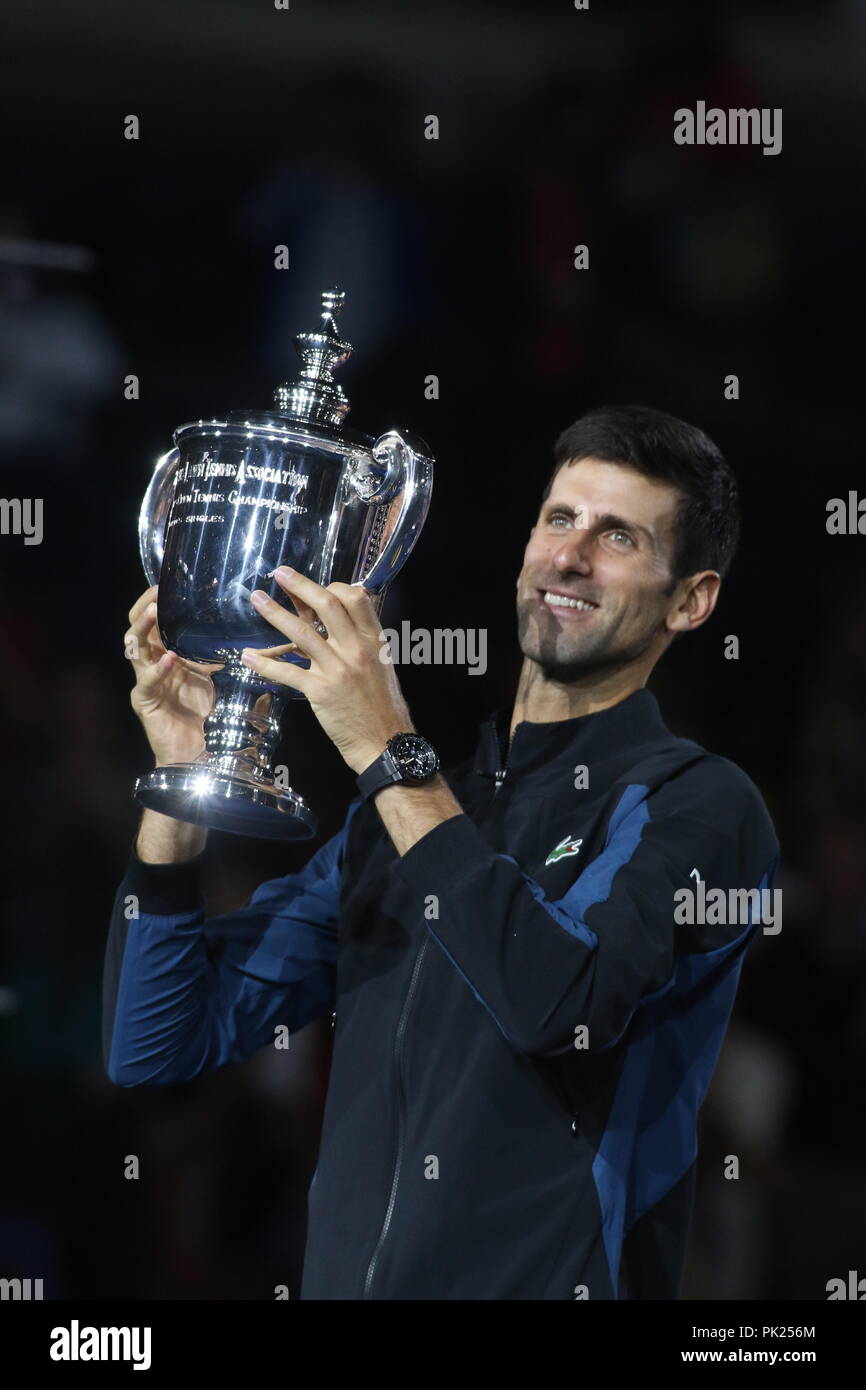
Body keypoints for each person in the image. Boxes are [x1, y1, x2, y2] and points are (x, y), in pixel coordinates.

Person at [103, 403, 779, 1300]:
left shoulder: (698, 804)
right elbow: (153, 1042)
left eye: (619, 537)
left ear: (690, 601)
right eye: (560, 519)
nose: (570, 556)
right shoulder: (404, 816)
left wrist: (389, 753)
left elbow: (559, 1004)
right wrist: (181, 789)